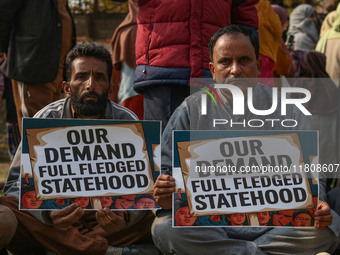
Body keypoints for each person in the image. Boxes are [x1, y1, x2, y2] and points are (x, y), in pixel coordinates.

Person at [151, 25, 340, 255]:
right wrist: (164, 192)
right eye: (225, 62)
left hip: (278, 226)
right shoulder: (190, 110)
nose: (235, 70)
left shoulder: (287, 110)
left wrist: (318, 203)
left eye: (244, 60)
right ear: (212, 69)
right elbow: (166, 174)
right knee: (163, 228)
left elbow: (313, 174)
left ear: (259, 66)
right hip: (212, 228)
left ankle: (237, 252)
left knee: (328, 227)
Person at [0, 43, 160, 255]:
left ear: (111, 87)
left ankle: (64, 247)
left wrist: (125, 217)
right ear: (66, 87)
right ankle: (104, 251)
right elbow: (14, 186)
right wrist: (46, 214)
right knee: (5, 211)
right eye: (82, 76)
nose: (91, 85)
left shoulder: (128, 122)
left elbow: (147, 189)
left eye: (100, 77)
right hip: (56, 222)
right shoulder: (46, 120)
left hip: (107, 223)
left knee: (163, 214)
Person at [131, 0, 259, 130]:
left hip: (214, 70)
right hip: (163, 68)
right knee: (163, 145)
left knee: (213, 143)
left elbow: (245, 18)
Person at [0, 0, 76, 134]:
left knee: (52, 128)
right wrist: (8, 49)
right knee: (36, 132)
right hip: (33, 62)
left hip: (58, 65)